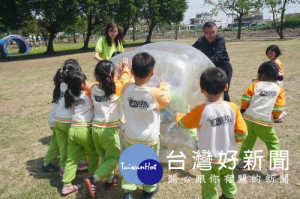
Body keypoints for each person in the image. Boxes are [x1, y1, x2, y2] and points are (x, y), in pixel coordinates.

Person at [175, 67, 247, 199]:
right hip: (228, 156)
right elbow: (243, 133)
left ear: (202, 90)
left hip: (208, 158)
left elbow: (184, 123)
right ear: (226, 86)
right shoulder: (233, 108)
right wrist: (233, 139)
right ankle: (230, 196)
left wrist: (178, 116)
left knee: (209, 183)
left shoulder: (201, 111)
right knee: (227, 177)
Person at [120, 52, 171, 199]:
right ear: (152, 73)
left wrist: (125, 70)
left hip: (131, 136)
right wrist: (164, 86)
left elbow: (128, 81)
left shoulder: (127, 89)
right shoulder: (155, 93)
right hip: (149, 138)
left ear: (133, 71)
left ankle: (128, 190)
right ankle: (148, 190)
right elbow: (167, 99)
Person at [85, 58, 130, 199]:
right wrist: (126, 68)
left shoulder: (92, 88)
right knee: (113, 157)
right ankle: (94, 179)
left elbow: (111, 83)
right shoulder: (115, 87)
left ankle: (110, 180)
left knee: (105, 156)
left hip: (95, 128)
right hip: (108, 131)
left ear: (96, 76)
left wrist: (116, 74)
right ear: (111, 75)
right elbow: (124, 80)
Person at [238, 61, 285, 177]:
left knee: (248, 140)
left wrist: (243, 110)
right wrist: (275, 117)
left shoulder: (255, 85)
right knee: (272, 142)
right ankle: (274, 166)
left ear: (262, 75)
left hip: (248, 118)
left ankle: (243, 161)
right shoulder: (279, 89)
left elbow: (245, 98)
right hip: (264, 121)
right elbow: (279, 107)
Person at [61, 72, 99, 195]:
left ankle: (66, 185)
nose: (89, 83)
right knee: (93, 153)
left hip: (73, 129)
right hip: (84, 129)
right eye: (87, 82)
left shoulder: (70, 94)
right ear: (82, 85)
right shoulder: (88, 94)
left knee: (71, 159)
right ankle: (92, 178)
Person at [54, 59, 83, 176]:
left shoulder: (61, 84)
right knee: (76, 145)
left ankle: (62, 168)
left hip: (58, 120)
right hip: (68, 121)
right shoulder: (75, 86)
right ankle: (81, 163)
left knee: (63, 147)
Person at [192, 21, 233, 102]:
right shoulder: (201, 41)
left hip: (223, 70)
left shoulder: (220, 40)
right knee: (210, 93)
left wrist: (203, 64)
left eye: (213, 32)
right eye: (207, 32)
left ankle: (228, 111)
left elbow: (217, 56)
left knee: (223, 92)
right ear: (203, 32)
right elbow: (192, 50)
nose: (211, 35)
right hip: (210, 71)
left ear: (216, 31)